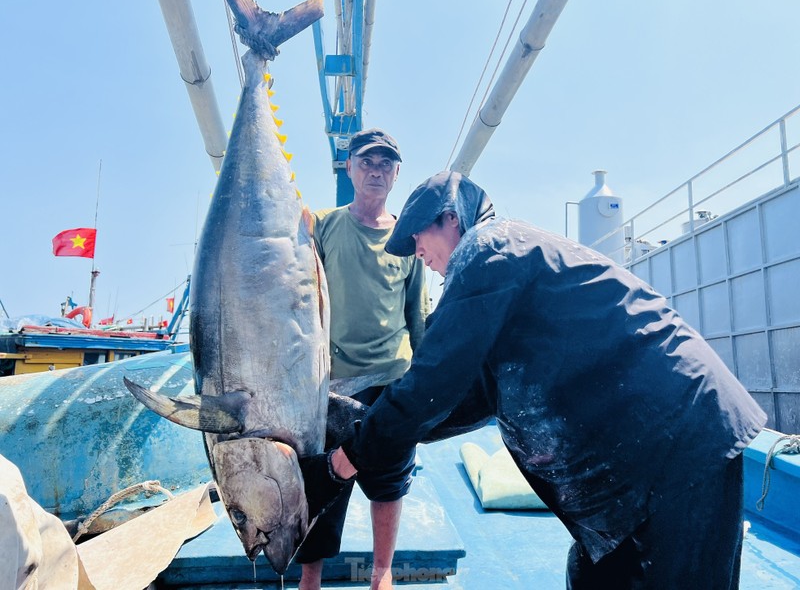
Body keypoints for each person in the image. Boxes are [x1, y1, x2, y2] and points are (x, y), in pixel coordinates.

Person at [319, 170, 767, 588]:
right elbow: (461, 399)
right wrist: (358, 418)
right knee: (593, 574)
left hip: (682, 441)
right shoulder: (501, 271)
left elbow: (433, 383)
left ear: (451, 219)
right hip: (646, 459)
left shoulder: (488, 247)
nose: (417, 253)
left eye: (417, 237)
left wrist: (343, 462)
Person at [296, 129, 429, 590]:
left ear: (396, 173)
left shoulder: (409, 241)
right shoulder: (324, 225)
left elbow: (416, 315)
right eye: (366, 161)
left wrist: (425, 382)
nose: (375, 170)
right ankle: (309, 577)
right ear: (348, 167)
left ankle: (381, 573)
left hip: (392, 379)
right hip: (330, 382)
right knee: (323, 483)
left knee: (390, 482)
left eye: (385, 163)